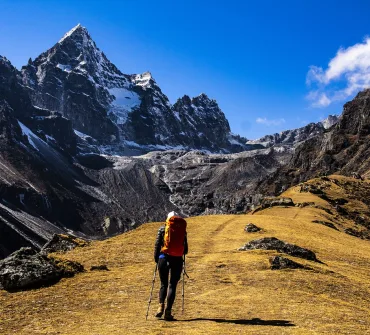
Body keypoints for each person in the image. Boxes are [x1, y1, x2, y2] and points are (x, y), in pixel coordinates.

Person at [154, 211, 188, 321]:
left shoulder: (162, 229)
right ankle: (168, 312)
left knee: (163, 284)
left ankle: (160, 307)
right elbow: (185, 250)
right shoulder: (182, 231)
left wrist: (157, 260)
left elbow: (157, 245)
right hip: (177, 260)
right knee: (172, 285)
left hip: (163, 258)